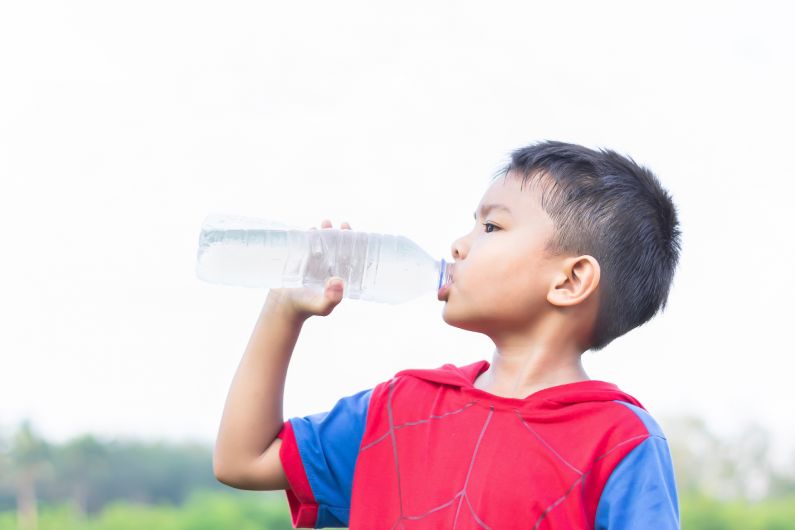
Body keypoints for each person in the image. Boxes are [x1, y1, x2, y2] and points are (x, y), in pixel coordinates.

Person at [212, 140, 683, 529]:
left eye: (492, 226)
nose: (459, 244)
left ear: (570, 281)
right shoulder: (400, 408)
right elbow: (242, 460)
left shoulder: (621, 442)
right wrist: (282, 310)